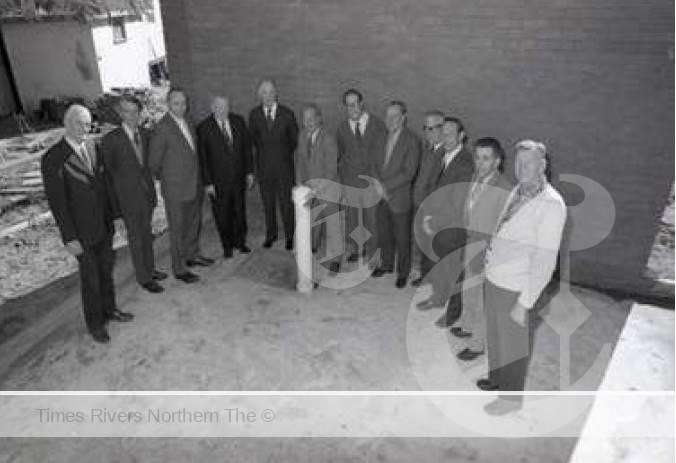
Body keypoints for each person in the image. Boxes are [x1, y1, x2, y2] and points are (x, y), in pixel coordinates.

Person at [479, 140, 566, 416]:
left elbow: (545, 261)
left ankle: (510, 399)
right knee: (494, 335)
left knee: (513, 344)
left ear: (543, 165)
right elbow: (504, 224)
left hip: (516, 287)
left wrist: (524, 303)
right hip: (494, 276)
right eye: (518, 163)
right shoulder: (519, 189)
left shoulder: (552, 205)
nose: (521, 168)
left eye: (528, 163)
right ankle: (496, 379)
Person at [41, 104, 133, 344]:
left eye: (89, 123)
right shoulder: (53, 158)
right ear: (67, 124)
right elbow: (58, 203)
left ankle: (110, 310)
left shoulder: (93, 146)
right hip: (81, 234)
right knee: (90, 279)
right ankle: (96, 324)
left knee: (106, 272)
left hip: (104, 226)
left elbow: (106, 185)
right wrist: (69, 237)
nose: (86, 128)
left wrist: (117, 216)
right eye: (81, 123)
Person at [452, 137, 513, 361]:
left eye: (486, 159)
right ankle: (467, 324)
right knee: (469, 289)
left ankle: (478, 344)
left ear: (497, 162)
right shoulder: (475, 178)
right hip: (471, 242)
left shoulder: (504, 188)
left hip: (487, 249)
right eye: (477, 157)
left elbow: (506, 227)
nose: (480, 163)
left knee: (481, 297)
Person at [100, 96, 167, 294]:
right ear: (120, 113)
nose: (132, 115)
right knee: (136, 239)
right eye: (127, 111)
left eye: (135, 111)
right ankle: (144, 278)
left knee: (147, 235)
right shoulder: (110, 140)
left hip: (147, 197)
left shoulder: (147, 134)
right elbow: (108, 179)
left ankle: (150, 269)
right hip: (126, 201)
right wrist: (115, 213)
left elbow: (151, 166)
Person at [149, 87, 214, 284]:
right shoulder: (162, 128)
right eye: (176, 103)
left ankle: (192, 255)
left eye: (184, 103)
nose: (181, 107)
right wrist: (170, 179)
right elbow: (153, 163)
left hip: (194, 183)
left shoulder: (188, 121)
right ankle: (179, 268)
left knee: (194, 223)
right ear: (168, 104)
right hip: (175, 189)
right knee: (177, 229)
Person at [416, 117, 474, 329]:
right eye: (444, 132)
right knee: (439, 267)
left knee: (454, 271)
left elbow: (457, 202)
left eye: (451, 133)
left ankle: (453, 313)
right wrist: (427, 215)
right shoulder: (442, 155)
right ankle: (438, 297)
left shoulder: (466, 162)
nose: (446, 137)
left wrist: (434, 220)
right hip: (436, 223)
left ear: (461, 136)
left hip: (453, 227)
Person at [197, 96, 254, 258]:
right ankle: (227, 246)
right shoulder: (204, 127)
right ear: (212, 108)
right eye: (220, 107)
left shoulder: (238, 121)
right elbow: (203, 158)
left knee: (239, 212)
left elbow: (246, 149)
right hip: (217, 182)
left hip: (238, 178)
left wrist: (249, 172)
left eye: (226, 107)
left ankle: (240, 242)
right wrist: (207, 183)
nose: (224, 110)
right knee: (222, 214)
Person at [371, 100, 421, 288]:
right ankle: (386, 265)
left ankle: (403, 272)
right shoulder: (380, 137)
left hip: (399, 199)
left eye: (395, 116)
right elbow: (373, 163)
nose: (390, 119)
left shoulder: (412, 140)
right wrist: (376, 184)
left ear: (403, 118)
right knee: (384, 234)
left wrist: (384, 187)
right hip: (380, 196)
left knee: (402, 239)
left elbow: (409, 172)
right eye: (388, 115)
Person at [336, 88, 387, 263]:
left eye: (355, 104)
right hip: (350, 182)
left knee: (372, 220)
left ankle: (373, 254)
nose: (353, 108)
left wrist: (379, 182)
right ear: (345, 107)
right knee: (352, 219)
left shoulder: (377, 125)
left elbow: (383, 156)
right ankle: (354, 249)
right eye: (349, 105)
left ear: (362, 104)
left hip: (371, 183)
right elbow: (341, 154)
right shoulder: (342, 128)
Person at [248, 79, 299, 250]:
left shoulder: (287, 114)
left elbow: (294, 141)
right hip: (264, 169)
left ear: (276, 94)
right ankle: (271, 234)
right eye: (264, 93)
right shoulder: (254, 115)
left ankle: (290, 236)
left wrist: (282, 156)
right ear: (259, 95)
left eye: (270, 92)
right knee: (268, 203)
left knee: (287, 204)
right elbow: (254, 141)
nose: (267, 96)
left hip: (284, 169)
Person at [294, 103, 342, 274]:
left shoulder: (328, 138)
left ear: (319, 118)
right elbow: (299, 161)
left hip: (328, 189)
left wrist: (315, 190)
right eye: (305, 119)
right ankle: (312, 247)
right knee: (313, 222)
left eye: (312, 118)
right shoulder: (301, 135)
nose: (308, 122)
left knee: (332, 226)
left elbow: (331, 170)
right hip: (309, 189)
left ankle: (336, 259)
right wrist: (300, 185)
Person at [411, 110, 446, 287]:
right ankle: (425, 275)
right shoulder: (426, 149)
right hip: (420, 204)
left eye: (432, 128)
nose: (427, 132)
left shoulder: (446, 153)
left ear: (442, 128)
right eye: (425, 128)